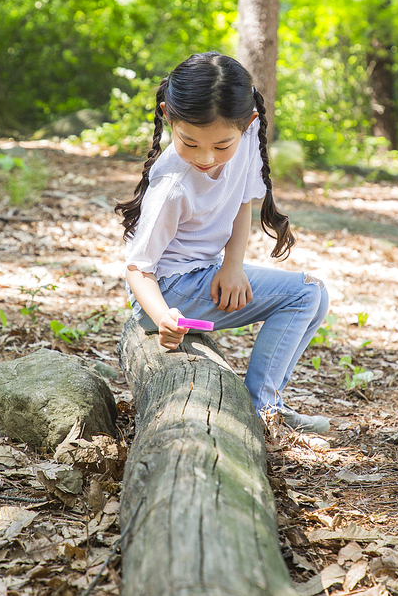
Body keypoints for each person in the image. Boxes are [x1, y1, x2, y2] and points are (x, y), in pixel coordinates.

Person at [115, 52, 330, 434]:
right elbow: (138, 266)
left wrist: (232, 266)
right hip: (165, 293)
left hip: (203, 275)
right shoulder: (172, 184)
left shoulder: (246, 139)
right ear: (168, 116)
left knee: (315, 295)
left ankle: (267, 401)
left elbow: (242, 202)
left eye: (220, 146)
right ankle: (263, 407)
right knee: (305, 294)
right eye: (190, 142)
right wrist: (164, 317)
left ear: (247, 123)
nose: (207, 157)